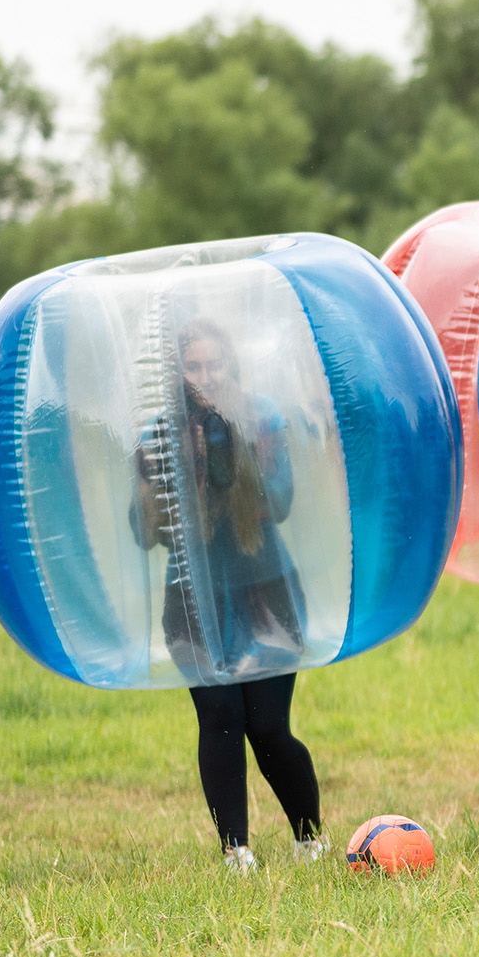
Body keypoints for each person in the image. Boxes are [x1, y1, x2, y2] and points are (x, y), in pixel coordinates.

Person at [137, 316, 323, 872]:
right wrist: (164, 480)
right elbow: (143, 532)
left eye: (213, 363)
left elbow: (282, 501)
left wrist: (226, 446)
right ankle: (235, 853)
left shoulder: (260, 416)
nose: (205, 375)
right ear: (177, 373)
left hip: (264, 590)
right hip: (192, 597)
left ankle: (308, 838)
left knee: (267, 726)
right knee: (218, 717)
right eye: (192, 366)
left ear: (230, 363)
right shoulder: (157, 433)